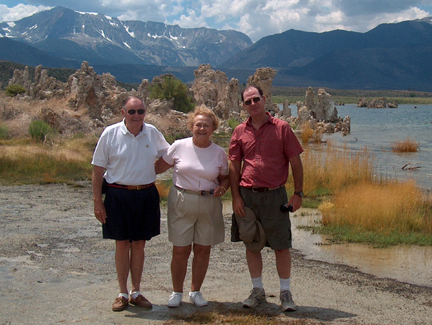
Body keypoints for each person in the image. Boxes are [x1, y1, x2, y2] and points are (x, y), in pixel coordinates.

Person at [228, 85, 304, 312]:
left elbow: (296, 162)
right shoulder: (239, 131)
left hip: (275, 196)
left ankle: (285, 293)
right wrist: (235, 198)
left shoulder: (282, 128)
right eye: (248, 101)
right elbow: (234, 166)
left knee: (281, 245)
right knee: (252, 244)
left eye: (256, 99)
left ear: (264, 98)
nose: (253, 104)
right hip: (247, 196)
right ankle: (258, 291)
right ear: (243, 105)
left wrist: (298, 193)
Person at [91, 96, 170, 312]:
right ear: (123, 112)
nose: (137, 116)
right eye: (132, 111)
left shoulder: (152, 133)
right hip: (117, 195)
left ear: (145, 112)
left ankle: (136, 291)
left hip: (145, 194)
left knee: (140, 244)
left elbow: (170, 155)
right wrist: (98, 201)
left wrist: (156, 170)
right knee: (122, 243)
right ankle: (122, 293)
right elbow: (98, 169)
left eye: (141, 111)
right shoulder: (110, 133)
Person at [155, 105, 230, 308]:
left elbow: (224, 178)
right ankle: (176, 292)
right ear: (191, 126)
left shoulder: (219, 153)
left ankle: (195, 291)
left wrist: (223, 188)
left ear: (213, 128)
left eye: (206, 125)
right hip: (181, 200)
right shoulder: (179, 146)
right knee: (180, 249)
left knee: (203, 249)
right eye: (198, 124)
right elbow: (157, 167)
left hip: (208, 203)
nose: (202, 128)